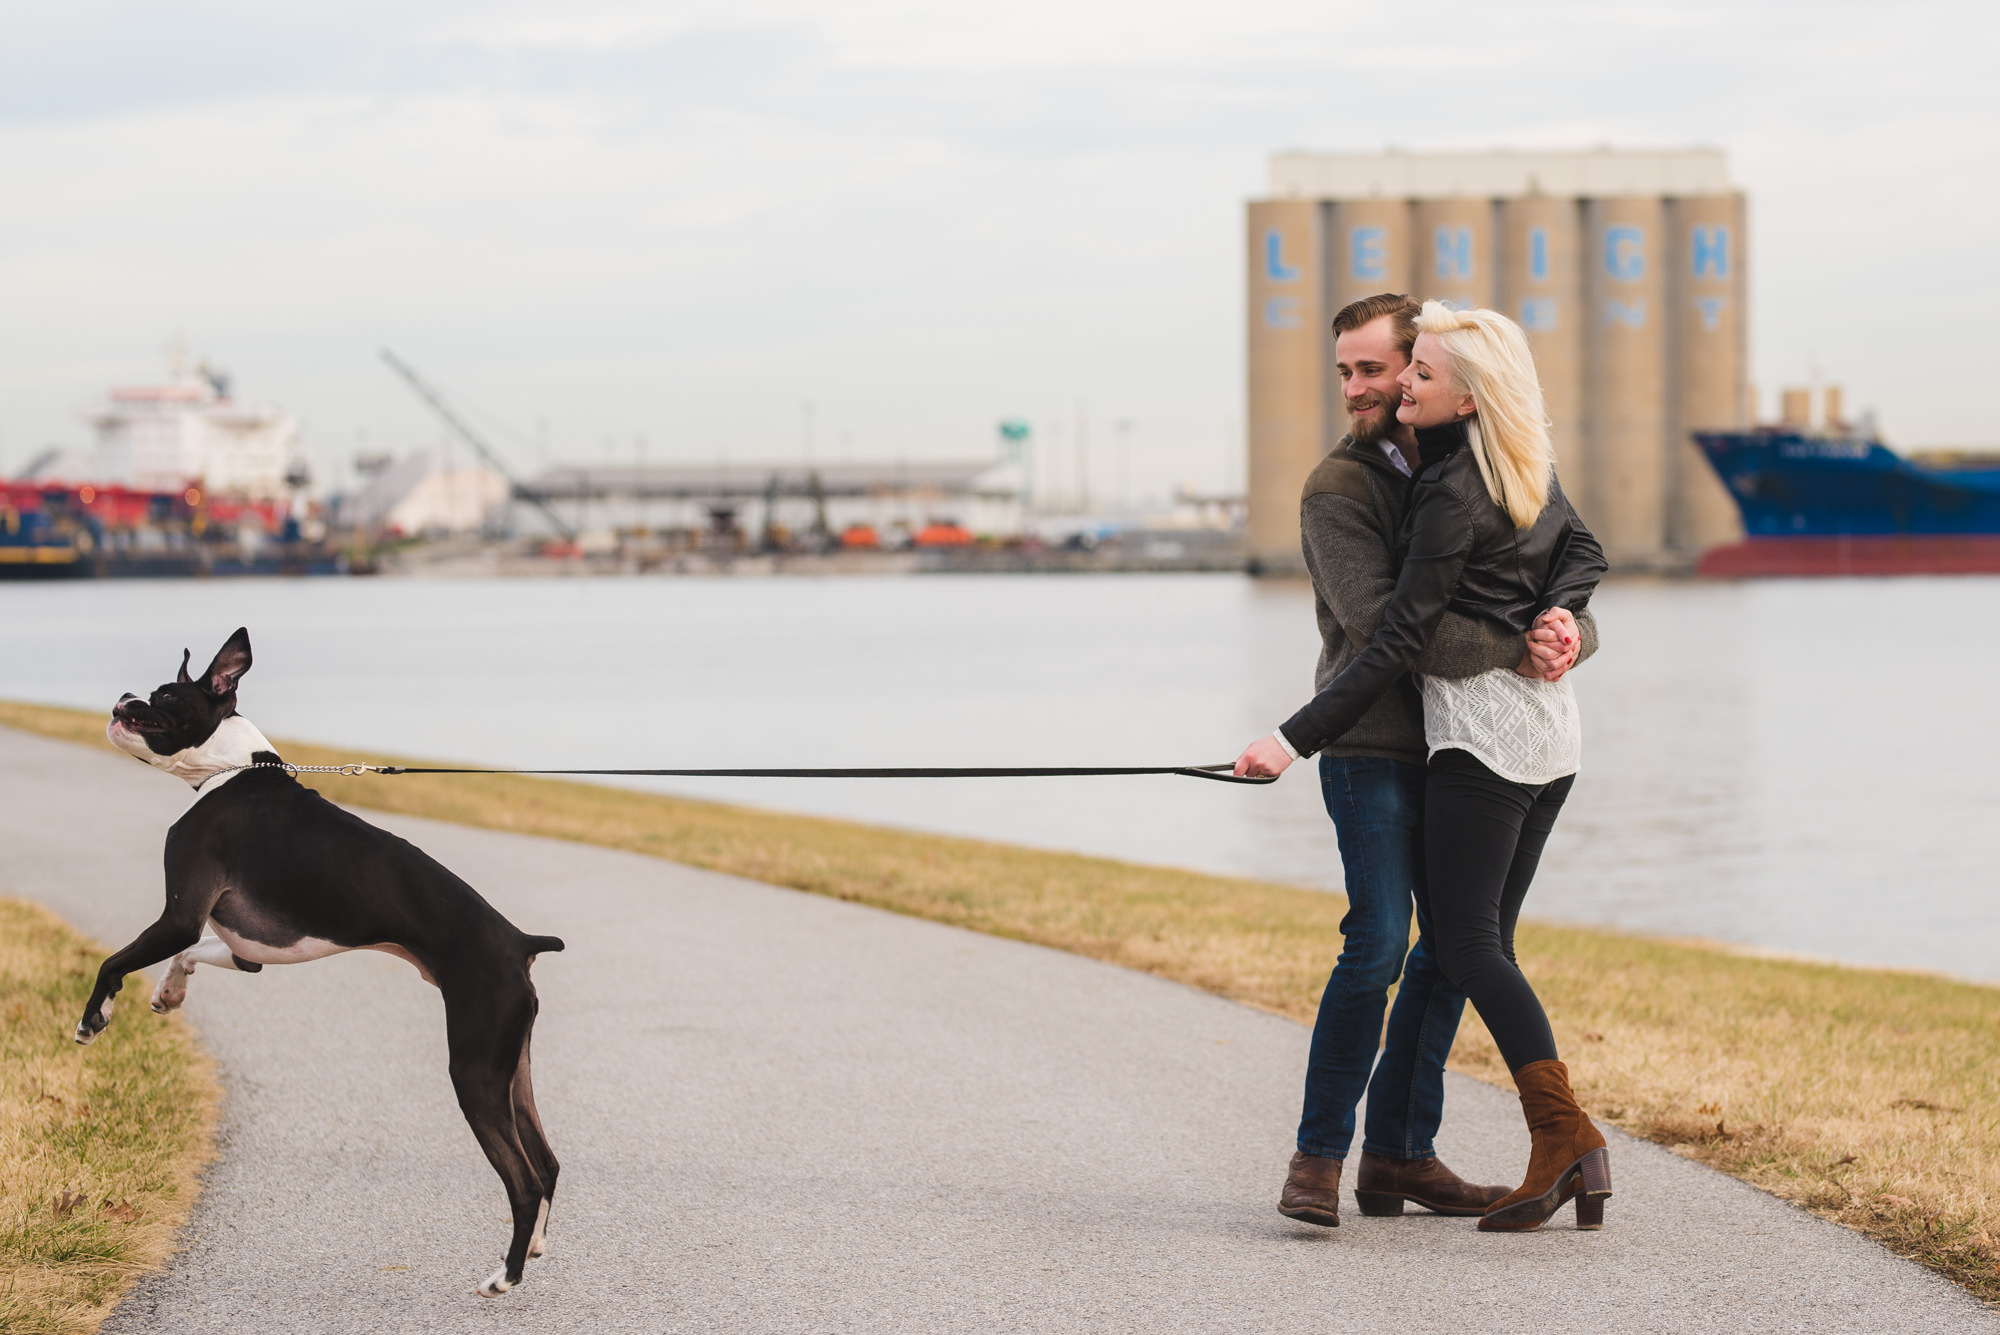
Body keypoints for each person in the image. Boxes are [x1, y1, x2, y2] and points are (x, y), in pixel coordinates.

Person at [1238, 298, 1613, 1234]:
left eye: (1383, 369)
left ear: (1427, 373)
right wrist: (1520, 641)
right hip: (1373, 743)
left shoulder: (1482, 455)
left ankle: (1402, 1151)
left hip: (1469, 748)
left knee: (1453, 952)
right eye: (1348, 373)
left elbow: (1567, 553)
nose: (1366, 388)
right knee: (1379, 944)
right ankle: (1318, 1157)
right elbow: (1394, 632)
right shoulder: (1340, 487)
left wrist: (1568, 628)